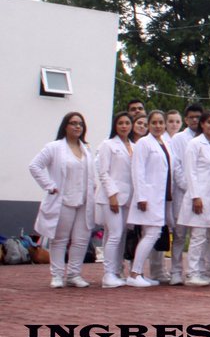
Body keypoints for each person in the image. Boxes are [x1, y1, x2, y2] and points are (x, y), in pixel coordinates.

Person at [29, 112, 96, 288]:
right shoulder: (54, 147)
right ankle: (57, 275)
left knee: (81, 239)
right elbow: (35, 166)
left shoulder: (86, 149)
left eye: (80, 124)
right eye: (73, 123)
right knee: (59, 239)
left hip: (84, 201)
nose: (77, 126)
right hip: (63, 200)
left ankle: (74, 274)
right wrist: (49, 185)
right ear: (65, 126)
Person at [125, 110, 174, 287]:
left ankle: (138, 273)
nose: (158, 126)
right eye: (154, 123)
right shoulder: (144, 143)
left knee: (150, 234)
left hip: (161, 197)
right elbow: (137, 170)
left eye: (161, 122)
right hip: (148, 196)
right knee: (152, 233)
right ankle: (134, 274)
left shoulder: (165, 143)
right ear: (148, 125)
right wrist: (141, 196)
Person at [177, 111, 210, 286]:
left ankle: (204, 270)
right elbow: (190, 172)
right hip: (199, 196)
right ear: (202, 124)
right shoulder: (195, 144)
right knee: (198, 236)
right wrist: (196, 196)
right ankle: (192, 273)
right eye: (209, 122)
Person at [94, 112, 134, 288]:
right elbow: (103, 172)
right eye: (120, 123)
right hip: (111, 197)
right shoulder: (107, 145)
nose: (124, 126)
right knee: (114, 234)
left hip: (128, 198)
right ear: (115, 126)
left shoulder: (134, 146)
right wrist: (112, 195)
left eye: (127, 123)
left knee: (122, 235)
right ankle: (108, 274)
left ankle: (117, 270)